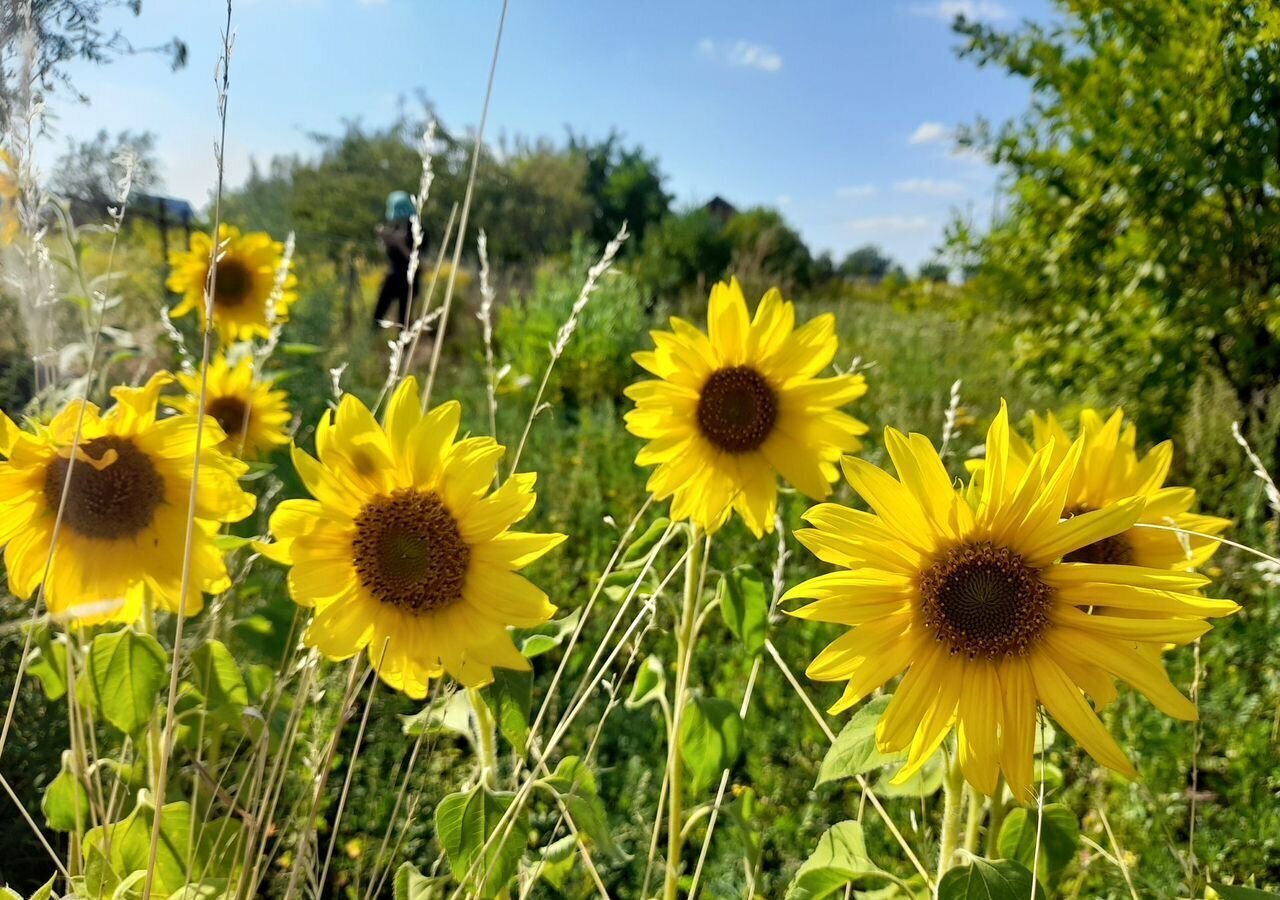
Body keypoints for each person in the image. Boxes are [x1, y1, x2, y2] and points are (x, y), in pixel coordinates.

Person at [373, 191, 425, 329]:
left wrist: (400, 244)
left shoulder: (418, 230)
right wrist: (384, 240)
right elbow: (385, 253)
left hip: (410, 279)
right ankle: (371, 340)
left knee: (404, 318)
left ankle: (405, 347)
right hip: (393, 276)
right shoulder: (395, 226)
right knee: (379, 312)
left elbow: (419, 259)